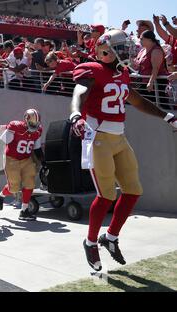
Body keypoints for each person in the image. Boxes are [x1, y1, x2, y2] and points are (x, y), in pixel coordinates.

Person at [69, 29, 177, 271]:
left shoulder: (123, 72)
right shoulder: (92, 69)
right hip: (98, 138)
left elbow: (137, 100)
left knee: (133, 191)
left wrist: (167, 117)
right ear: (104, 50)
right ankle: (90, 242)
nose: (125, 52)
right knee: (106, 194)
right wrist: (76, 114)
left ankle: (111, 237)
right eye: (120, 48)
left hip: (119, 137)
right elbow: (79, 92)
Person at [0, 109, 44, 221]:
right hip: (12, 159)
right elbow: (2, 142)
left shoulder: (38, 131)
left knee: (30, 184)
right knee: (14, 188)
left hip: (26, 159)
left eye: (36, 124)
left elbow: (37, 148)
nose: (34, 126)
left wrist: (43, 162)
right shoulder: (15, 127)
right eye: (32, 124)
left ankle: (24, 211)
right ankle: (1, 195)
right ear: (26, 120)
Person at [133, 30, 169, 109]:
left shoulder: (156, 50)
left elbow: (155, 68)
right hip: (142, 83)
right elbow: (137, 65)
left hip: (156, 84)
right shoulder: (142, 50)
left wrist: (150, 82)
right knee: (143, 106)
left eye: (142, 39)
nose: (139, 40)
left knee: (161, 107)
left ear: (149, 39)